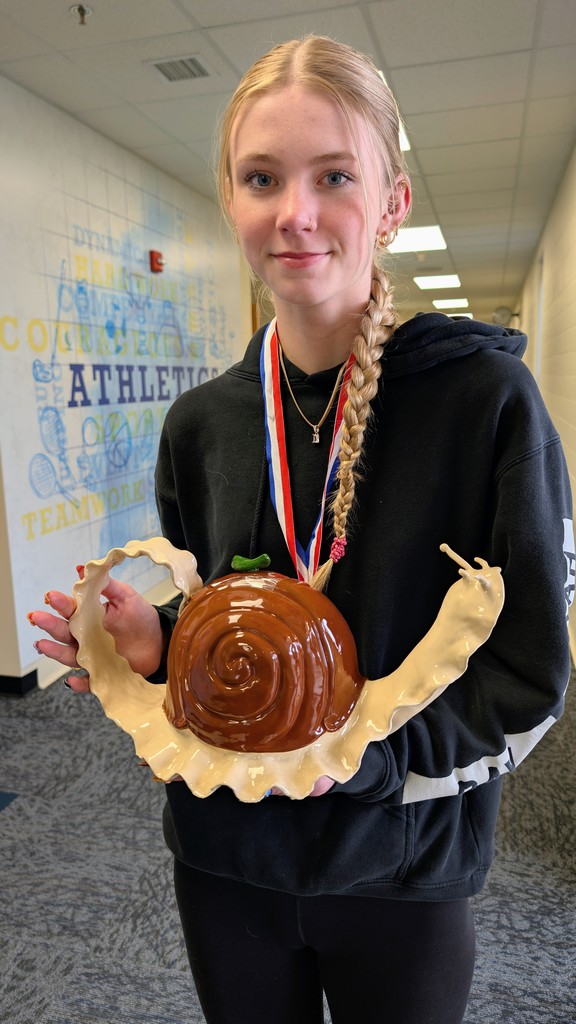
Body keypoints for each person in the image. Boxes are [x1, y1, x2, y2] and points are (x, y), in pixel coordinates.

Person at [30, 35, 574, 1024]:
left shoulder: (484, 399)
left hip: (402, 863)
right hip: (227, 859)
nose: (296, 212)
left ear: (393, 202)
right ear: (231, 201)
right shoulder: (202, 423)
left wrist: (376, 763)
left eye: (334, 175)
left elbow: (531, 673)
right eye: (261, 178)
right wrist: (155, 653)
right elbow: (220, 623)